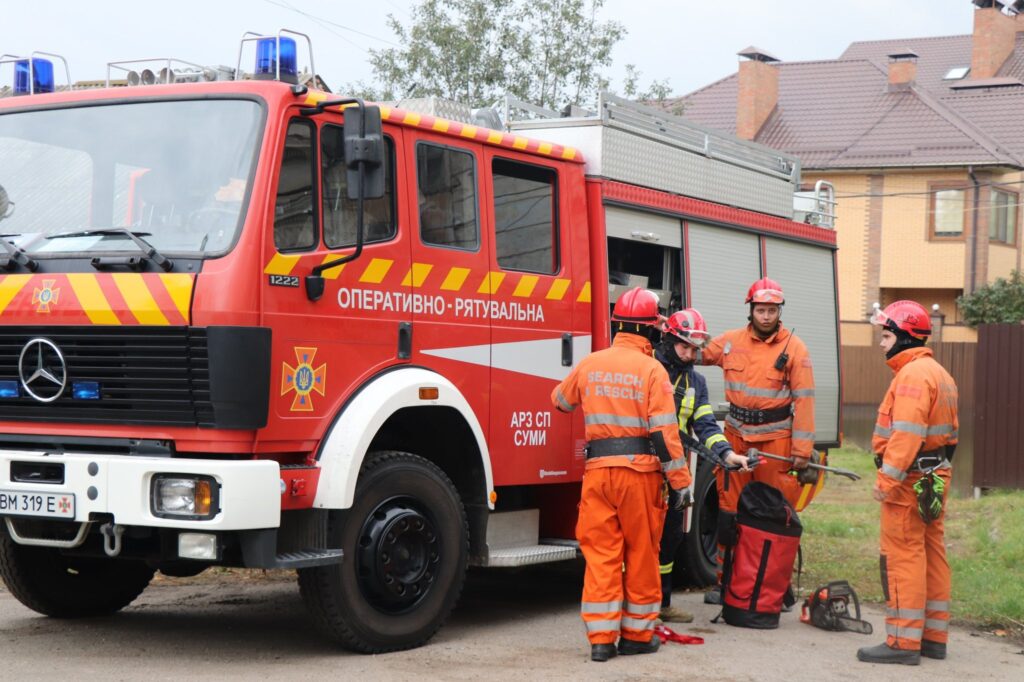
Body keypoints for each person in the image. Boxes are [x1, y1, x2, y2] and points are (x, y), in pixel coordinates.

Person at [552, 287, 693, 663]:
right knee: (642, 553)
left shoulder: (591, 362)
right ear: (650, 330)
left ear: (618, 325)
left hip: (598, 475)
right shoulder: (652, 370)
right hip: (640, 477)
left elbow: (561, 401)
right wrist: (680, 482)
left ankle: (601, 640)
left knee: (601, 556)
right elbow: (665, 433)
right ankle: (635, 636)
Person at [698, 277, 815, 603]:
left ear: (780, 311)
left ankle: (776, 586)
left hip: (776, 443)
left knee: (776, 514)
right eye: (761, 310)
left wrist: (801, 451)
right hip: (735, 439)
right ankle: (726, 583)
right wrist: (669, 333)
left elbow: (805, 400)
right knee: (728, 512)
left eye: (772, 310)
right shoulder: (730, 342)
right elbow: (694, 353)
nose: (766, 316)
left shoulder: (795, 349)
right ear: (751, 310)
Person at [857, 301, 957, 666]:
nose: (882, 344)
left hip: (908, 482)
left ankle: (902, 642)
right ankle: (933, 637)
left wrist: (887, 479)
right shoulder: (938, 373)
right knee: (932, 553)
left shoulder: (913, 376)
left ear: (904, 337)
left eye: (886, 336)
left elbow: (906, 435)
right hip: (932, 478)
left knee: (903, 556)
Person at [654, 309, 750, 623]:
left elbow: (706, 426)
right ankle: (634, 606)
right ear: (668, 339)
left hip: (675, 474)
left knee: (671, 539)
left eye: (695, 349)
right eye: (684, 346)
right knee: (640, 539)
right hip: (643, 469)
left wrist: (727, 454)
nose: (690, 354)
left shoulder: (695, 382)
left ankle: (661, 603)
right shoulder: (649, 368)